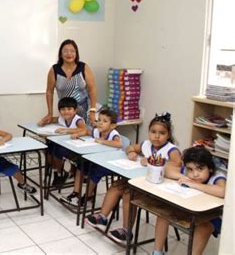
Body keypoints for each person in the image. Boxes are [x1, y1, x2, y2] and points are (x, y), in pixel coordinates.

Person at [86, 113, 182, 244]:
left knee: (128, 194)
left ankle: (126, 231)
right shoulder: (147, 144)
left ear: (168, 135)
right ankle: (102, 217)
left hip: (157, 187)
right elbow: (131, 147)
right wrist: (131, 152)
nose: (157, 136)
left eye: (162, 133)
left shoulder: (171, 150)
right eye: (153, 132)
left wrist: (151, 160)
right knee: (116, 185)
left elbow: (177, 166)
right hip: (140, 180)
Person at [152, 146, 226, 255]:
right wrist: (184, 177)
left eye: (200, 169)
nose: (195, 174)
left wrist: (195, 185)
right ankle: (157, 252)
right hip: (188, 210)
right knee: (163, 214)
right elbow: (166, 170)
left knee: (203, 228)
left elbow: (222, 191)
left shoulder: (217, 176)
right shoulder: (188, 174)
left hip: (210, 217)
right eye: (190, 169)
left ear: (210, 168)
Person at [60, 109, 122, 207]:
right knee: (81, 166)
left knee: (94, 171)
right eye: (99, 120)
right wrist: (78, 134)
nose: (101, 123)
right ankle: (76, 193)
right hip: (96, 159)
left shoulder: (113, 134)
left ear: (112, 125)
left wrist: (102, 141)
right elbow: (87, 132)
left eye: (105, 121)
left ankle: (88, 196)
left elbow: (119, 144)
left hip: (108, 163)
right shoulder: (97, 131)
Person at [39, 39, 98, 126]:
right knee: (68, 135)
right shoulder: (54, 70)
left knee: (86, 135)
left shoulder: (83, 67)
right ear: (61, 54)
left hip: (86, 112)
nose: (69, 54)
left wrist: (92, 110)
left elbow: (92, 90)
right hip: (67, 112)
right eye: (65, 51)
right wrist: (50, 113)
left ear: (76, 53)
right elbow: (49, 92)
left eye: (72, 51)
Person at [38, 97, 87, 187]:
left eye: (69, 109)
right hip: (64, 143)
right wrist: (44, 121)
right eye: (63, 109)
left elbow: (83, 129)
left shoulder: (78, 120)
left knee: (57, 151)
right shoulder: (61, 118)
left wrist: (66, 130)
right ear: (59, 111)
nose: (66, 112)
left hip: (75, 147)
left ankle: (60, 173)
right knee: (47, 149)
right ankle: (58, 171)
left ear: (75, 110)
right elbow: (53, 119)